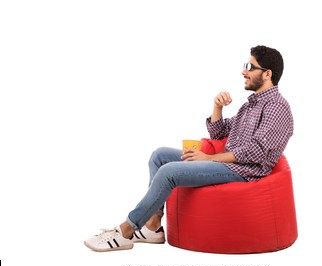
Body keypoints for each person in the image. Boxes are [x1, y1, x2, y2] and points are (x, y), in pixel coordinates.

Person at [84, 45, 294, 252]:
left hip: (244, 172)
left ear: (267, 74)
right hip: (229, 163)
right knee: (160, 156)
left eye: (250, 66)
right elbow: (219, 133)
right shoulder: (251, 105)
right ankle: (153, 227)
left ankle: (126, 230)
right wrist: (217, 107)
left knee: (169, 172)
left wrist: (209, 158)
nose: (243, 71)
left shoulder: (276, 107)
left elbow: (256, 152)